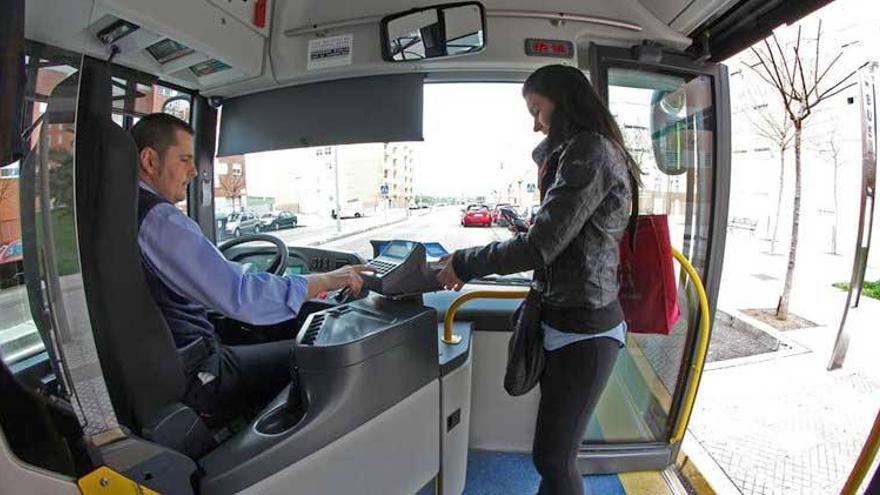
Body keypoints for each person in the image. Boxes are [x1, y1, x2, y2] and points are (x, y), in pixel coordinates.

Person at [436, 65, 639, 495]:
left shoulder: (592, 152)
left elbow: (540, 245)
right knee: (552, 455)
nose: (534, 125)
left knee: (553, 457)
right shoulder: (574, 154)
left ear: (562, 102)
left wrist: (465, 263)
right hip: (560, 321)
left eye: (537, 110)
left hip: (586, 330)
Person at [133, 113, 367, 426]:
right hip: (199, 375)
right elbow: (243, 296)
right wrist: (327, 278)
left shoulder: (128, 211)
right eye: (185, 159)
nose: (193, 171)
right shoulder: (161, 221)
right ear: (149, 160)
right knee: (318, 357)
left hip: (163, 367)